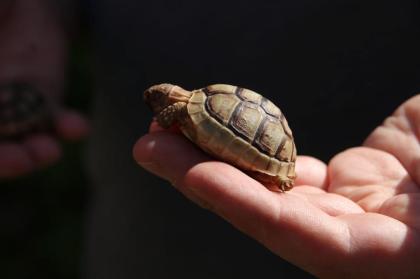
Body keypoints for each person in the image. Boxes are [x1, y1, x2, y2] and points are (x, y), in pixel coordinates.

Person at [1, 0, 419, 278]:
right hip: (139, 245)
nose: (156, 104)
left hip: (368, 176)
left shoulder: (187, 109)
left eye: (158, 100)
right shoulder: (196, 103)